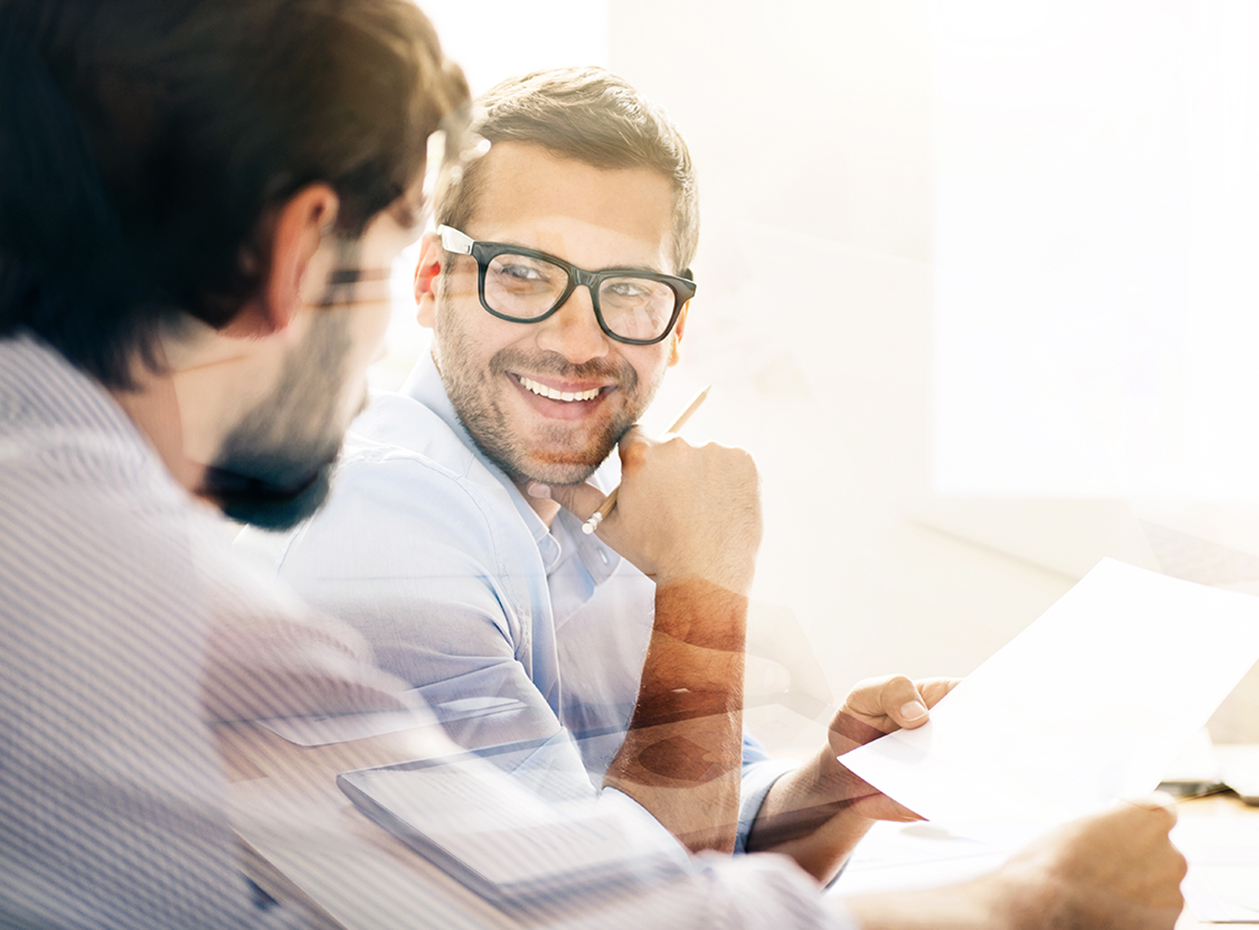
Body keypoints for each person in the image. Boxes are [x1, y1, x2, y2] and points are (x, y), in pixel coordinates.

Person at [0, 2, 1185, 927]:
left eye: (623, 294)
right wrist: (1024, 907)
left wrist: (829, 789)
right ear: (344, 258)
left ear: (675, 325)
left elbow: (639, 858)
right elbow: (575, 913)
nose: (575, 338)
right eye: (519, 275)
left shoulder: (595, 511)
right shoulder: (238, 561)